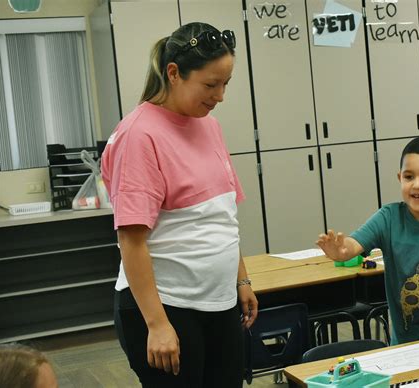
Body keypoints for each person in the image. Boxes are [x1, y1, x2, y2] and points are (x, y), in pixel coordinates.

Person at [101, 22, 258, 388]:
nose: (219, 95)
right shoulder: (139, 135)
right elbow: (132, 240)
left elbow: (221, 215)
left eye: (225, 84)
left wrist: (241, 279)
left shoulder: (208, 126)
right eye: (209, 84)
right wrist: (156, 325)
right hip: (168, 308)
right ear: (173, 73)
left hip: (219, 304)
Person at [317, 135, 419, 349]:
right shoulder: (388, 217)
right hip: (407, 339)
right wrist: (342, 252)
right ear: (400, 178)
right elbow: (353, 244)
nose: (417, 185)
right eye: (409, 177)